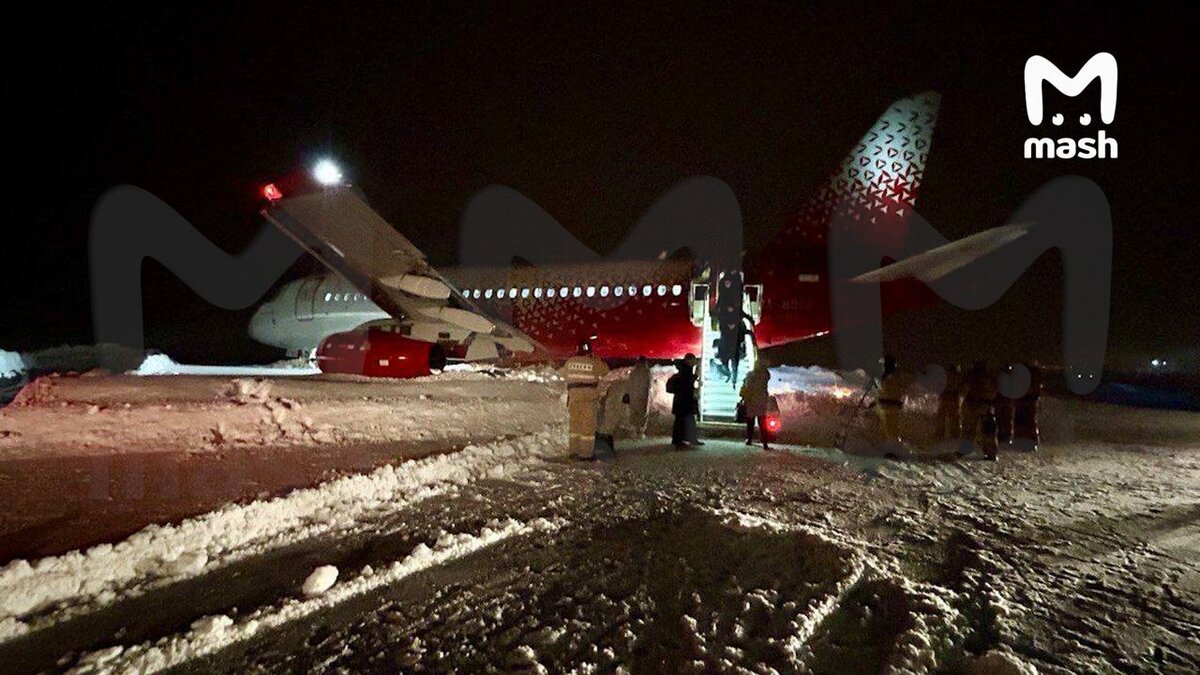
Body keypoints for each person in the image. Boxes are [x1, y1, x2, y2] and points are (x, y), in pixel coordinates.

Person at [560, 339, 609, 459]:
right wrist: (596, 359)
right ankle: (585, 454)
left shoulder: (570, 362)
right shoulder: (593, 363)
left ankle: (573, 452)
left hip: (574, 397)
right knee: (587, 426)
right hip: (589, 397)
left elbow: (564, 375)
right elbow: (605, 371)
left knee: (575, 425)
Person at [961, 360, 999, 460]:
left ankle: (989, 452)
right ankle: (991, 452)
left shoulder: (976, 378)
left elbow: (965, 388)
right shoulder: (988, 378)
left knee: (975, 430)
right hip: (983, 406)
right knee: (987, 431)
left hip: (977, 406)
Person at [666, 354, 701, 449]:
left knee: (683, 420)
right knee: (682, 420)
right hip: (683, 400)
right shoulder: (686, 370)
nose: (693, 363)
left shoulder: (684, 369)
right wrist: (694, 377)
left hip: (682, 400)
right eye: (692, 360)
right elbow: (686, 383)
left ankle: (684, 439)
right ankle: (681, 440)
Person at [875, 355, 907, 452]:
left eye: (883, 365)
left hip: (887, 406)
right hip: (892, 405)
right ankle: (892, 447)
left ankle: (891, 449)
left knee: (888, 429)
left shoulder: (887, 378)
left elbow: (883, 390)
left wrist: (876, 383)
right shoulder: (898, 377)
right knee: (892, 428)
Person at [739, 360, 772, 449]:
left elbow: (746, 386)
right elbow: (768, 377)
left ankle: (749, 439)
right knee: (762, 423)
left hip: (751, 401)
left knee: (750, 422)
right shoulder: (764, 375)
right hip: (761, 401)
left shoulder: (750, 375)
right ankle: (765, 442)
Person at [1012, 361, 1043, 451]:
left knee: (1026, 421)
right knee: (1028, 421)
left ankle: (1028, 441)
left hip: (1025, 400)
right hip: (1027, 400)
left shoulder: (1027, 373)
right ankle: (1029, 441)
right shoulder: (1034, 373)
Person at [934, 364, 962, 442]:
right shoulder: (957, 376)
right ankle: (953, 435)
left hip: (946, 396)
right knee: (953, 417)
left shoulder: (944, 376)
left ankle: (941, 435)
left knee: (943, 416)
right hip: (951, 396)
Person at [626, 356, 651, 439]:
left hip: (633, 396)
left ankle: (633, 432)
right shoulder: (647, 372)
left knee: (633, 414)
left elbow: (629, 385)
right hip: (643, 397)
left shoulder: (633, 373)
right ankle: (640, 432)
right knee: (643, 414)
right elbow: (649, 385)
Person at [994, 364, 1017, 449]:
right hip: (1003, 402)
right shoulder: (1003, 379)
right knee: (1003, 419)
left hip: (1005, 402)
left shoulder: (1002, 379)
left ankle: (1006, 436)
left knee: (1005, 419)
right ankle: (1004, 435)